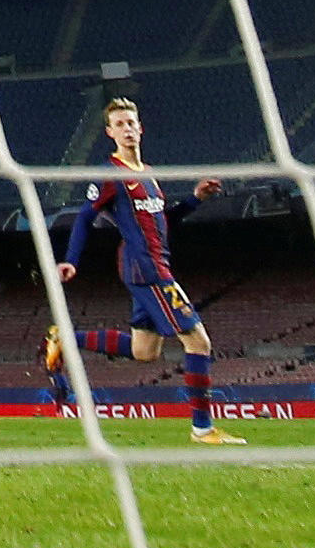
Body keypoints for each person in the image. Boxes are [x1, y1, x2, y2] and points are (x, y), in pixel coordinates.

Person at [56, 97, 242, 445]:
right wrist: (71, 260)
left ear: (140, 129)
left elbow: (162, 222)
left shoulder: (149, 176)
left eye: (131, 123)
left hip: (153, 264)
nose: (127, 129)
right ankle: (202, 429)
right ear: (110, 133)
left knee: (145, 351)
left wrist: (195, 199)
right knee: (199, 342)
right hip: (146, 268)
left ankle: (66, 338)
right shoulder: (111, 175)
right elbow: (84, 217)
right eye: (119, 124)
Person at [42, 324, 77, 416]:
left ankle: (61, 406)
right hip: (52, 370)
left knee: (64, 389)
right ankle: (58, 409)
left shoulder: (58, 344)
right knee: (60, 388)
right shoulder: (50, 345)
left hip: (57, 370)